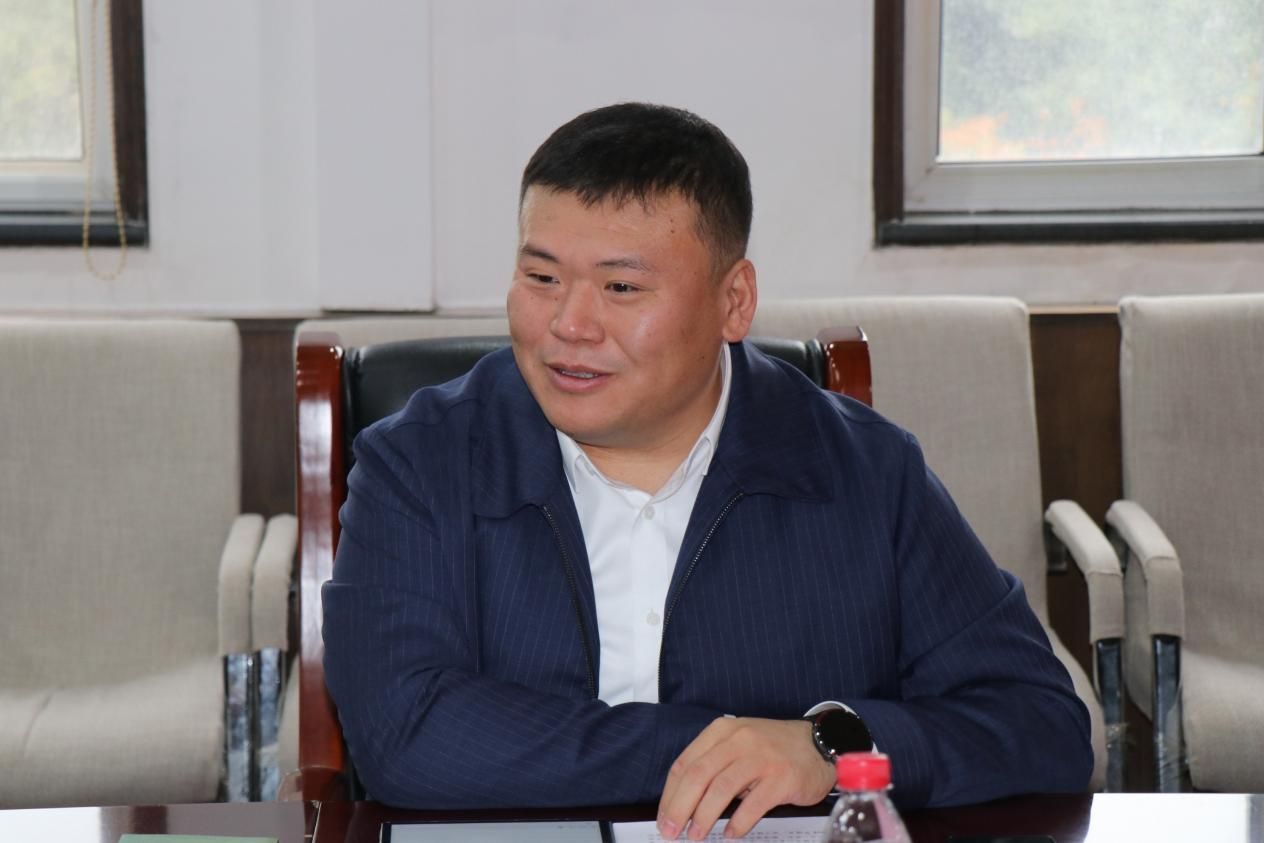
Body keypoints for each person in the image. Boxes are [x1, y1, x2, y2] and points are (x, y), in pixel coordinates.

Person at [322, 102, 1092, 839]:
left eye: (622, 287)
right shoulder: (420, 463)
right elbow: (404, 734)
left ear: (734, 301)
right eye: (543, 277)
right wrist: (729, 750)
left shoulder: (866, 472)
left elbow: (1041, 725)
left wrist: (830, 746)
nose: (569, 324)